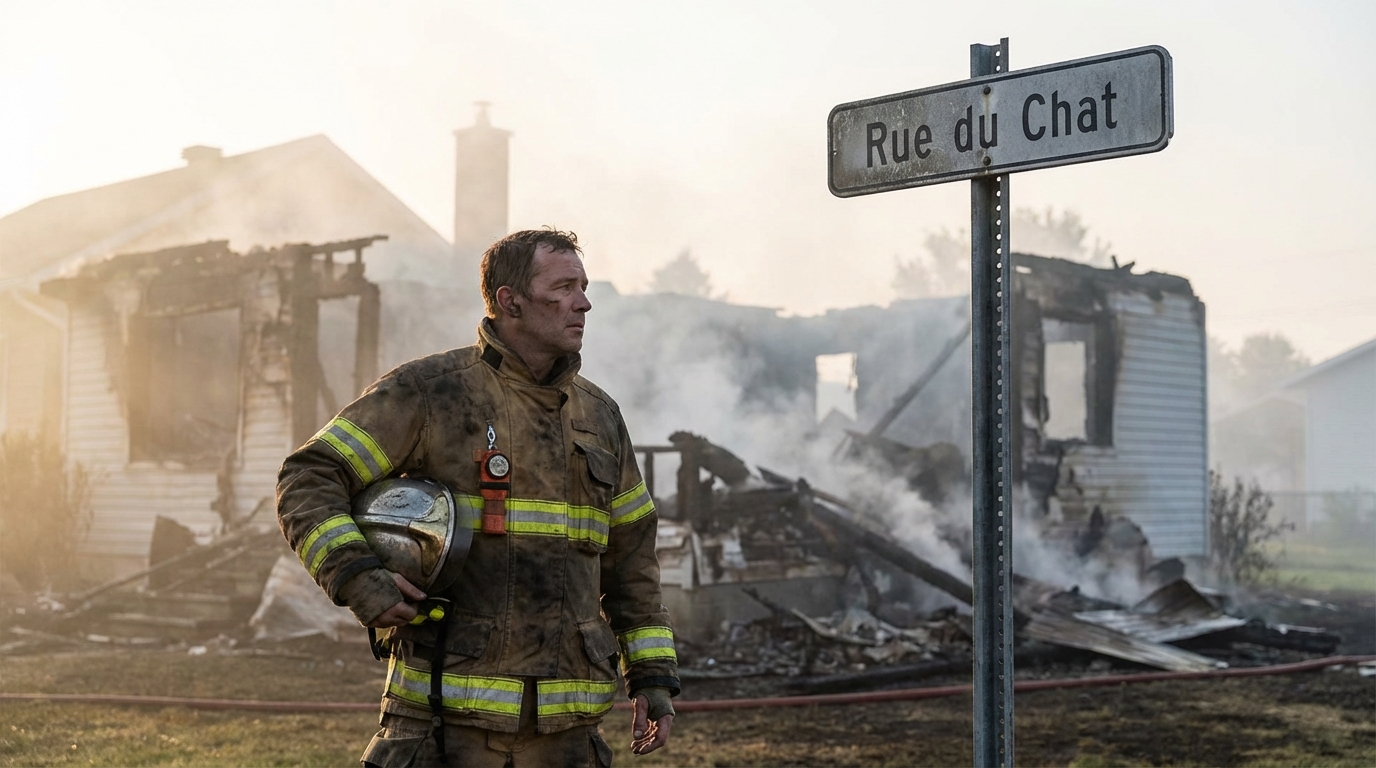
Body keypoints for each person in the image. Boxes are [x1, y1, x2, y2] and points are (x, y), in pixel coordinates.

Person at [276, 229, 678, 767]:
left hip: (569, 737)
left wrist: (652, 676)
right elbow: (311, 474)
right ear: (510, 300)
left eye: (583, 286)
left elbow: (631, 559)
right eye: (563, 287)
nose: (584, 302)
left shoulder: (599, 416)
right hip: (445, 727)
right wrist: (356, 575)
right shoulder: (431, 392)